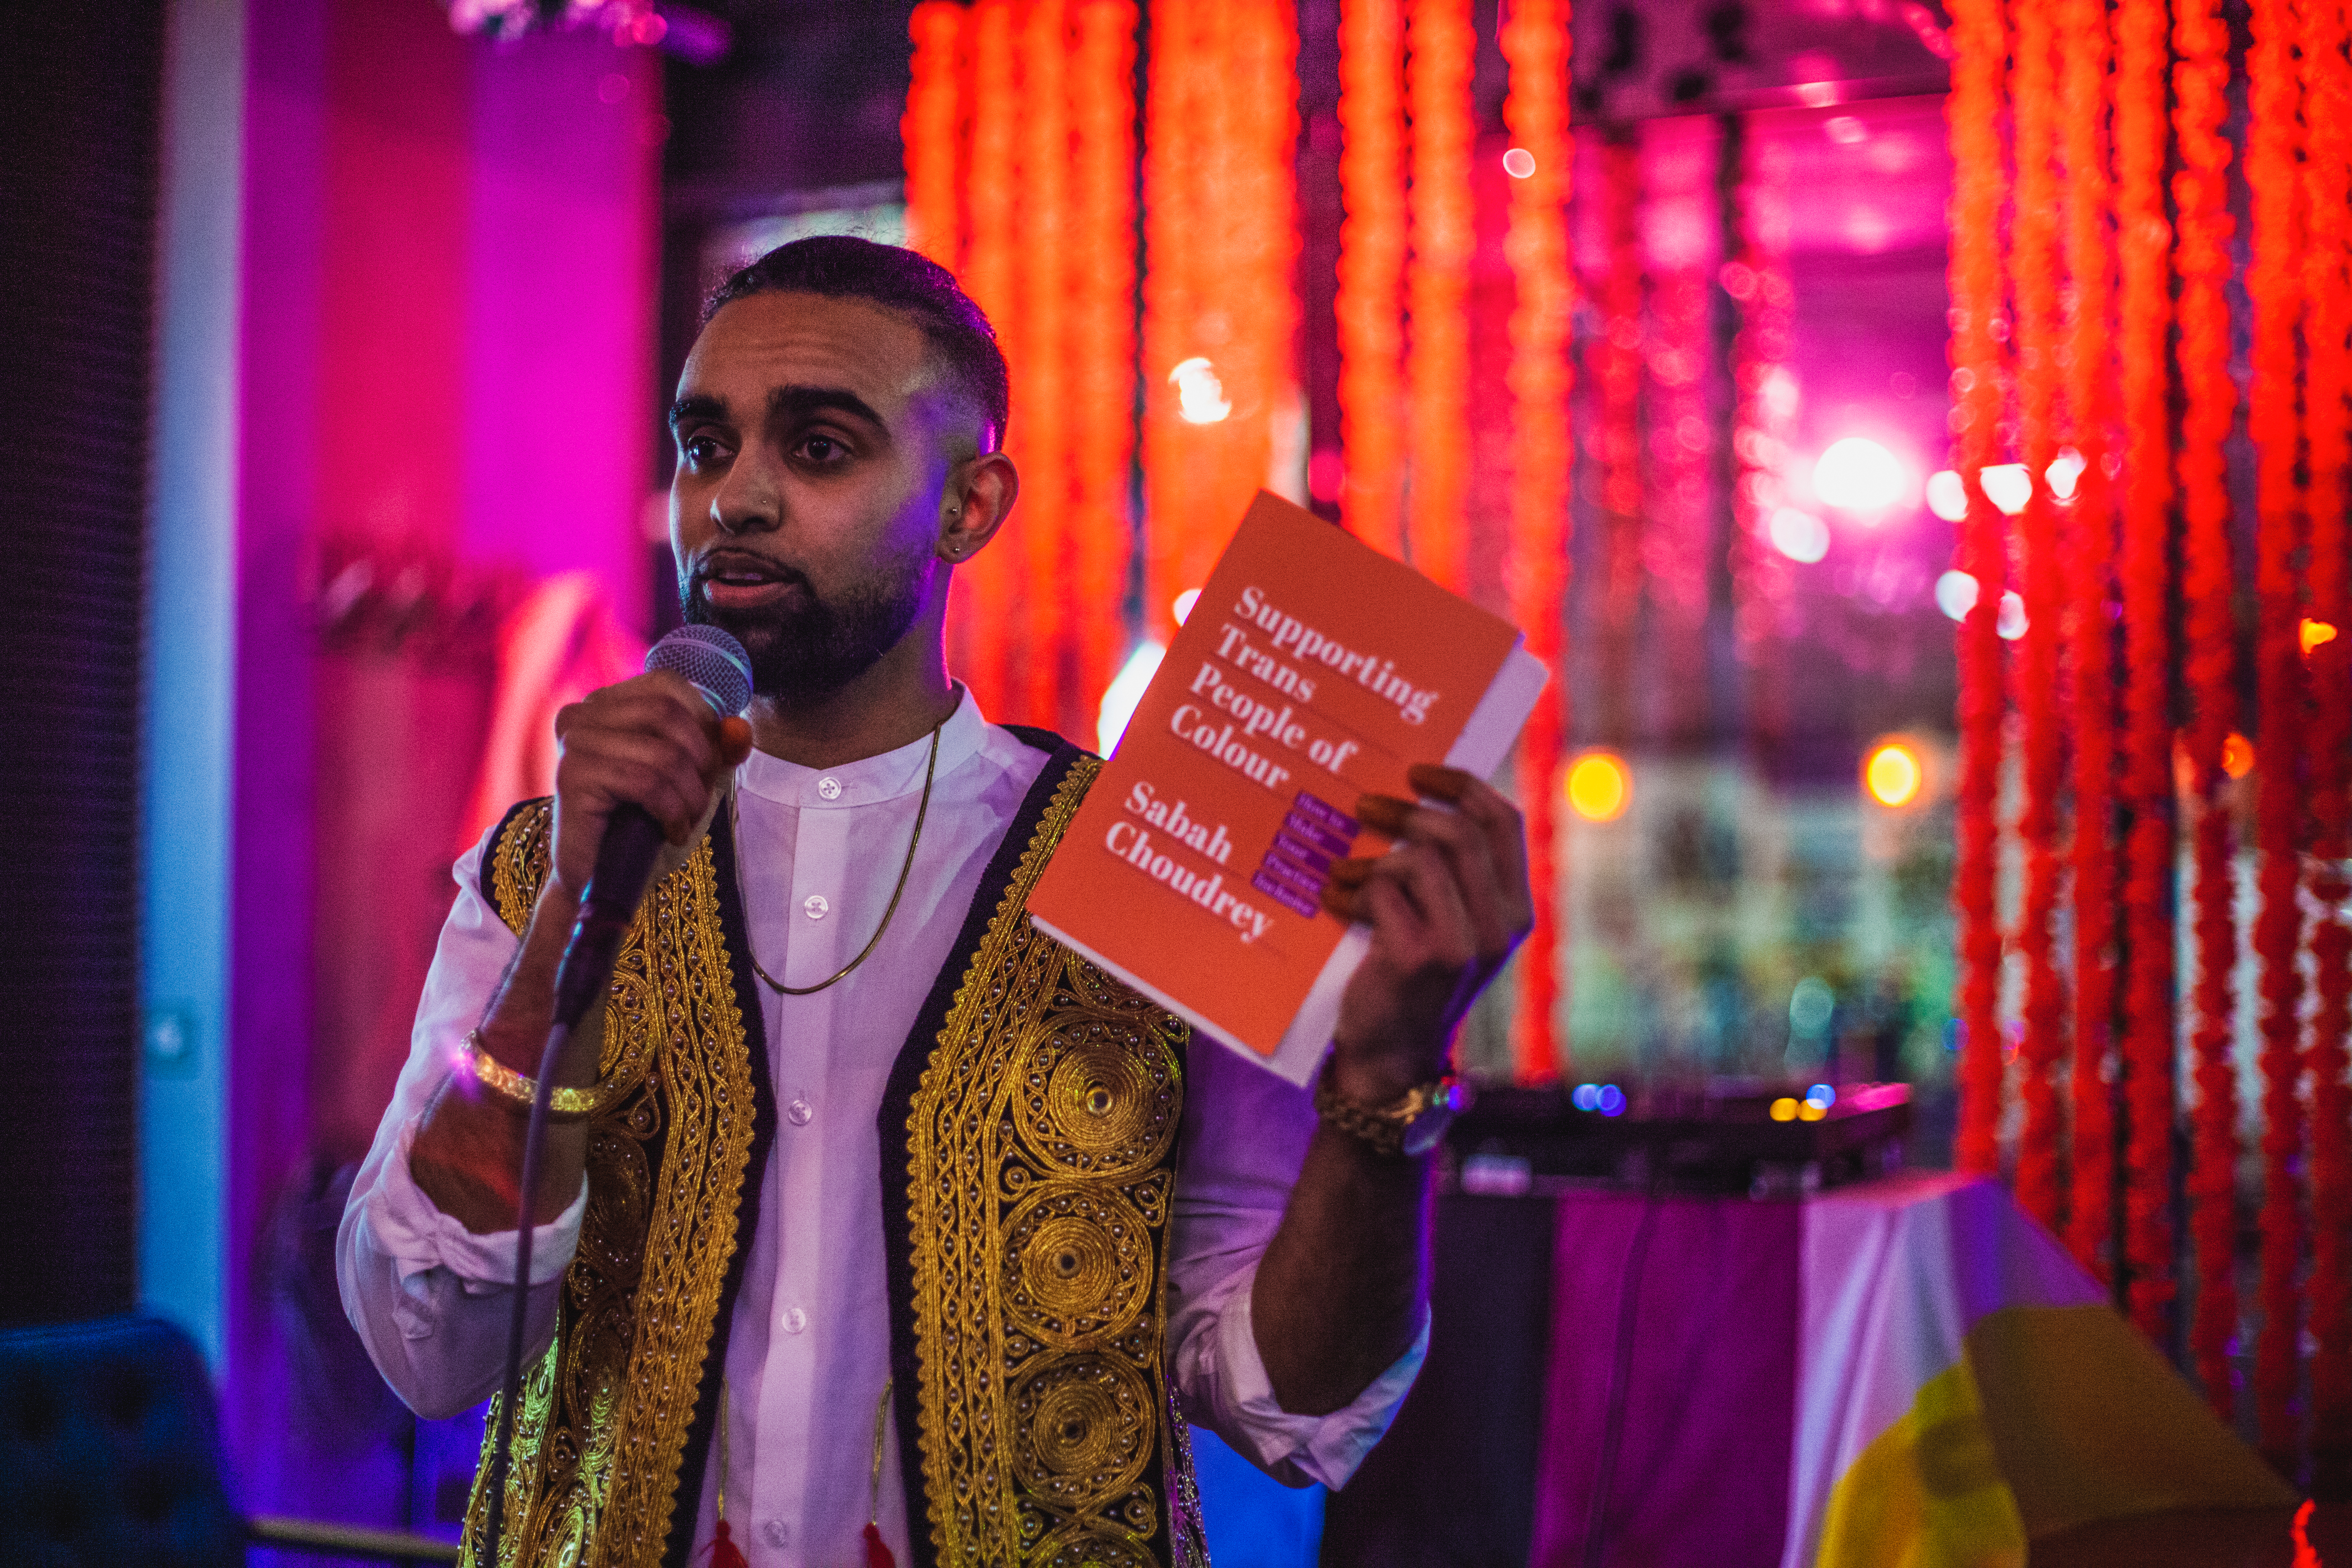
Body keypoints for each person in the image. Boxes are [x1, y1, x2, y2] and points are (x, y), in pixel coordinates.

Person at [338, 235, 1532, 1568]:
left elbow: (1293, 1407)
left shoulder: (1140, 864)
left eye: (821, 448)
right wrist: (574, 915)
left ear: (969, 506)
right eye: (705, 445)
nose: (734, 497)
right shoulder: (544, 868)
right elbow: (423, 1339)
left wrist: (1385, 1083)